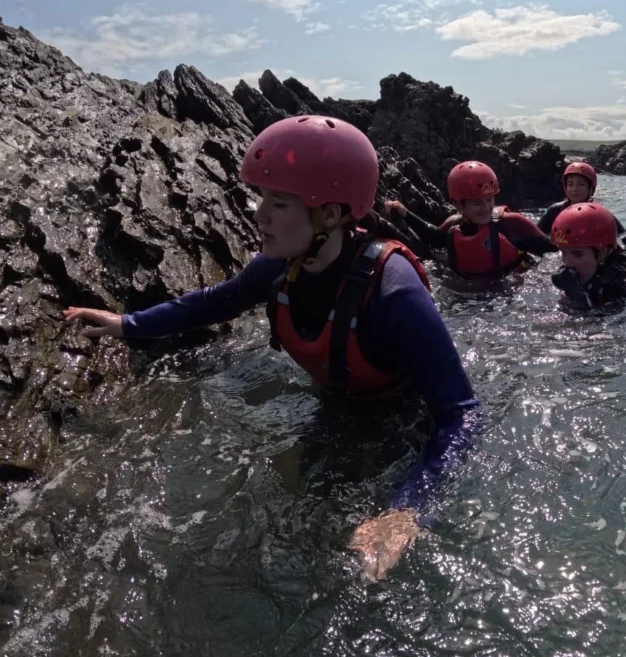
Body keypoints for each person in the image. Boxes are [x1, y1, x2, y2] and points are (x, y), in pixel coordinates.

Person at [62, 116, 481, 581]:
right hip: (336, 408)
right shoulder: (279, 267)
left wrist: (407, 511)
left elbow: (462, 413)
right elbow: (213, 303)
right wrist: (127, 324)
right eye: (262, 198)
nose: (259, 215)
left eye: (278, 203)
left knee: (354, 570)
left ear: (331, 214)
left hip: (404, 428)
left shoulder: (394, 290)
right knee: (281, 516)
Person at [384, 160, 558, 278]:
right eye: (477, 203)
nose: (486, 208)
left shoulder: (513, 223)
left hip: (509, 294)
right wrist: (405, 213)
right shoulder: (454, 225)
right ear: (458, 204)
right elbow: (434, 238)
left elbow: (553, 251)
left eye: (489, 200)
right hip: (469, 300)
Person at [549, 202, 626, 310]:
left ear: (604, 252)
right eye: (563, 253)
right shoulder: (581, 269)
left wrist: (579, 300)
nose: (568, 263)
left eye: (577, 254)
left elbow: (606, 323)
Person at [536, 161, 626, 248]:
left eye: (581, 184)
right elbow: (536, 234)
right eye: (570, 184)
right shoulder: (554, 210)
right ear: (565, 188)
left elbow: (622, 233)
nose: (574, 189)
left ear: (591, 189)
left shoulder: (600, 214)